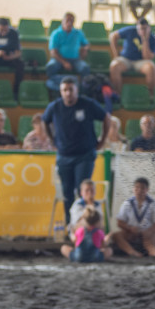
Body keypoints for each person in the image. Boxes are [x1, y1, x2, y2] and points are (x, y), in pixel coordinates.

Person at [43, 75, 108, 219]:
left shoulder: (88, 104)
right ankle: (71, 227)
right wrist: (52, 140)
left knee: (82, 190)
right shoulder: (54, 107)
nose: (68, 93)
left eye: (70, 90)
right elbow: (45, 121)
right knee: (67, 193)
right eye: (65, 90)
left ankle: (85, 226)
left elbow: (106, 117)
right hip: (64, 156)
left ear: (76, 90)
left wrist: (102, 141)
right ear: (61, 91)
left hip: (85, 155)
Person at [111, 176, 155, 257]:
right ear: (133, 189)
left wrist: (149, 231)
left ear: (147, 190)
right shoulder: (127, 203)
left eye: (142, 188)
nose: (139, 191)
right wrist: (129, 228)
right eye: (137, 188)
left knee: (152, 236)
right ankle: (132, 252)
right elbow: (119, 222)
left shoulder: (153, 204)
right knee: (116, 235)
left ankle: (154, 252)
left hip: (147, 234)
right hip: (131, 232)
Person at [108, 17, 155, 94]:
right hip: (125, 59)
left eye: (144, 28)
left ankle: (151, 96)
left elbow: (147, 57)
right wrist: (116, 54)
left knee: (151, 68)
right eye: (140, 29)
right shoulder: (130, 30)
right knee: (114, 66)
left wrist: (145, 39)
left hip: (141, 62)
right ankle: (117, 95)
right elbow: (113, 36)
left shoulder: (154, 40)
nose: (142, 31)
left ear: (149, 28)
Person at [45, 12, 91, 89]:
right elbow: (53, 52)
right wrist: (64, 62)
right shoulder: (56, 34)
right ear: (62, 21)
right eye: (67, 20)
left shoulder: (78, 33)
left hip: (75, 60)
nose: (69, 23)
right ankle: (61, 87)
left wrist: (85, 49)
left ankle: (81, 90)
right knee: (50, 67)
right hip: (59, 60)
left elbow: (86, 44)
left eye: (72, 21)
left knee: (85, 68)